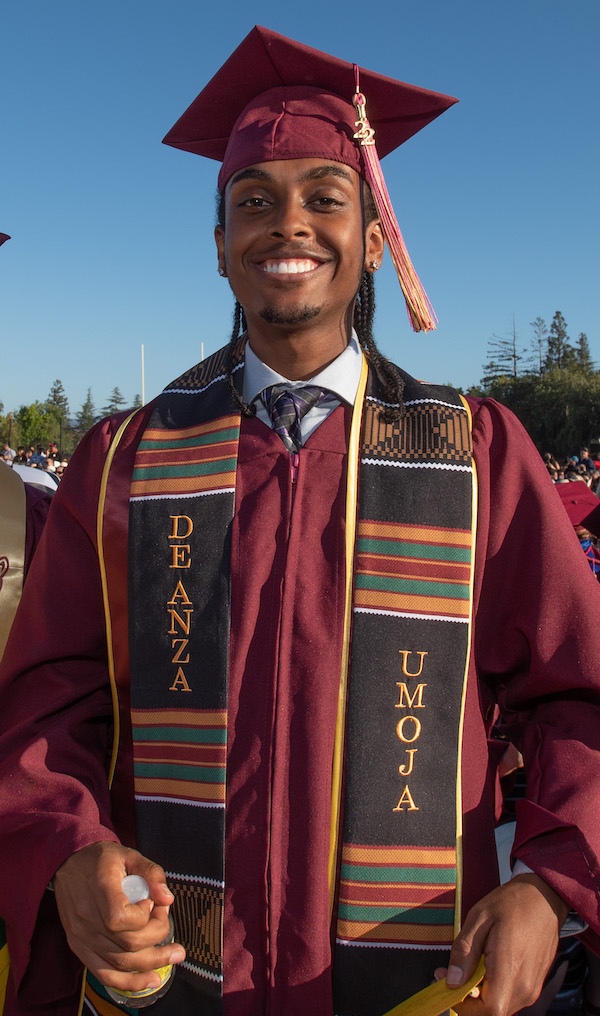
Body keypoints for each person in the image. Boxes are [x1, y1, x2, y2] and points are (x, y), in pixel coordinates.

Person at [1, 25, 600, 1016]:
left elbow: (579, 694)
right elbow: (47, 708)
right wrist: (69, 851)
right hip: (179, 976)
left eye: (325, 196)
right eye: (252, 202)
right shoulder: (125, 460)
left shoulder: (474, 453)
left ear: (373, 239)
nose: (288, 225)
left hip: (422, 981)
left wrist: (549, 881)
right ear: (221, 247)